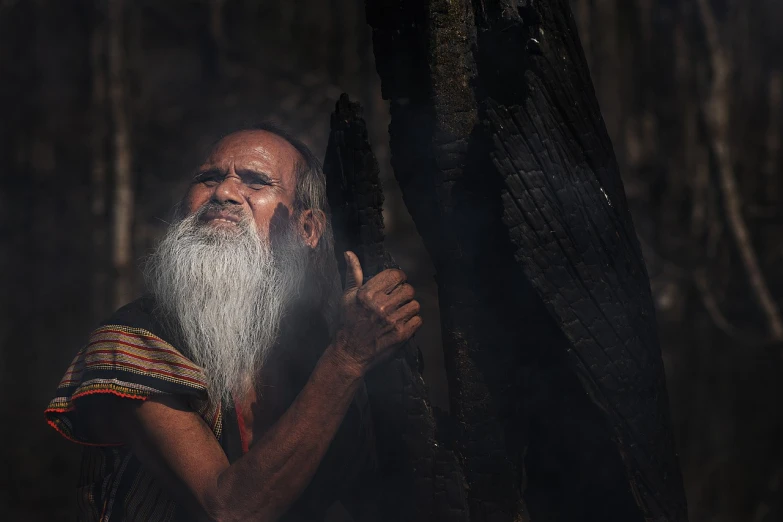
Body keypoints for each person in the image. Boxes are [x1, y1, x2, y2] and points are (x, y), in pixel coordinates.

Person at [45, 125, 423, 521]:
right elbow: (229, 511)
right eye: (208, 178)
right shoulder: (131, 342)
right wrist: (347, 359)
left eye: (256, 181)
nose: (223, 193)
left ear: (306, 229)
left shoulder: (314, 341)